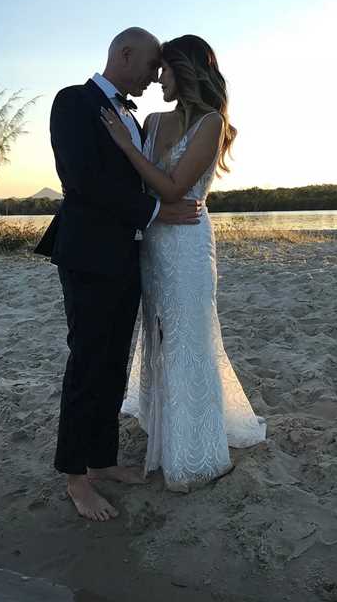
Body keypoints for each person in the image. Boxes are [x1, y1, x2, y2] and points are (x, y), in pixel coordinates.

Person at [35, 27, 204, 521]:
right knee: (88, 362)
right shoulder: (73, 102)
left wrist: (152, 215)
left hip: (127, 257)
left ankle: (102, 460)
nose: (155, 77)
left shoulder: (133, 118)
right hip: (87, 256)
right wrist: (153, 213)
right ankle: (75, 478)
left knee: (113, 364)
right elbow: (82, 181)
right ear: (124, 54)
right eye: (152, 65)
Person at [100, 34, 267, 493]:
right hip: (153, 243)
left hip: (189, 245)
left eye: (166, 70)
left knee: (189, 336)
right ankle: (165, 429)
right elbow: (135, 190)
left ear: (186, 71)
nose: (158, 79)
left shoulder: (210, 123)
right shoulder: (150, 121)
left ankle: (197, 452)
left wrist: (126, 147)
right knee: (158, 336)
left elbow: (173, 189)